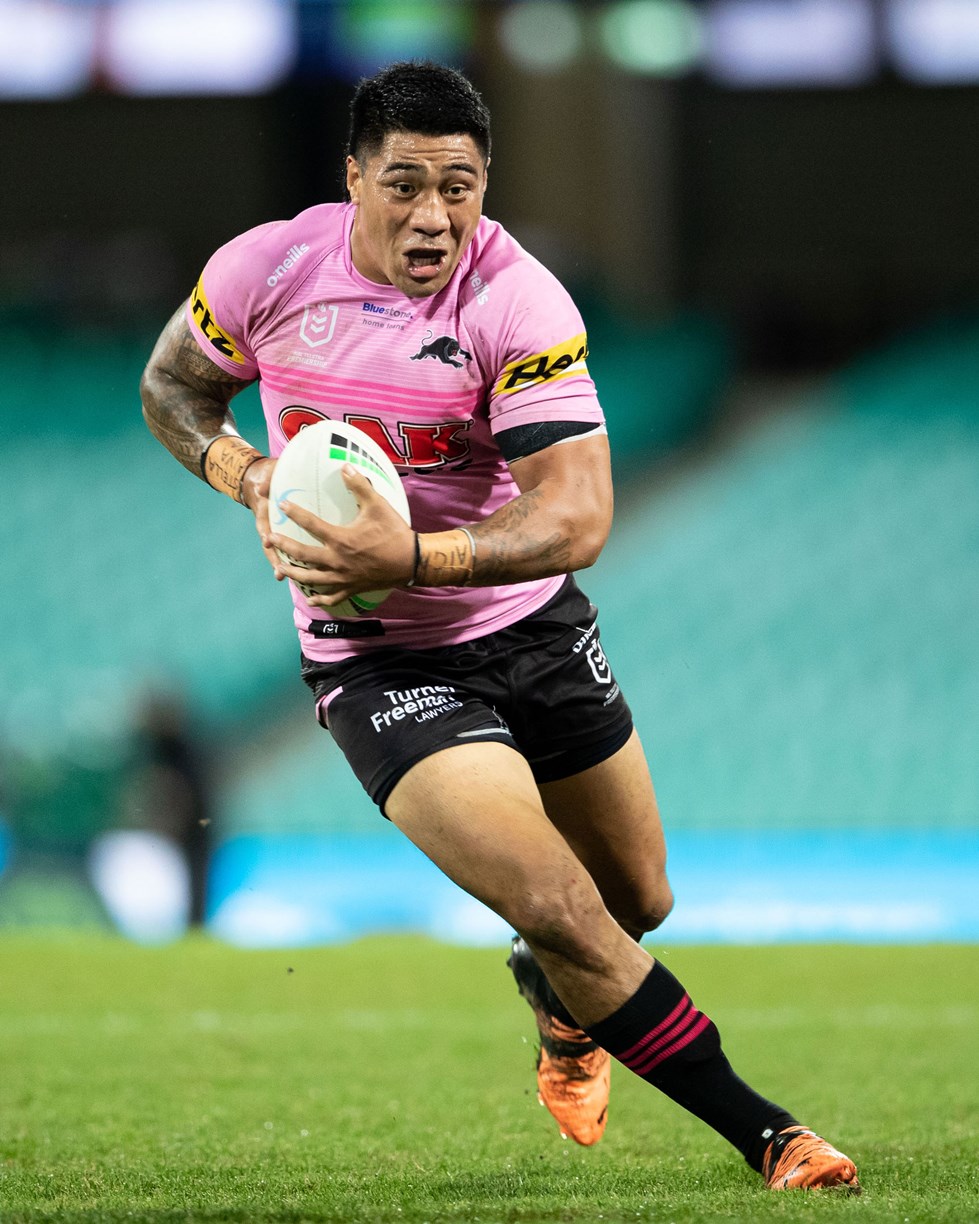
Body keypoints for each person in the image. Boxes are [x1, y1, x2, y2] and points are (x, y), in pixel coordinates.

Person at [141, 61, 859, 1194]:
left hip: (531, 628)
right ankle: (772, 1137)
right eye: (405, 185)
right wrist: (248, 475)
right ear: (353, 177)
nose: (433, 216)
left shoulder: (517, 301)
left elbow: (578, 516)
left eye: (459, 187)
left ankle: (554, 996)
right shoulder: (265, 270)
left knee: (636, 900)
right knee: (560, 902)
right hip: (380, 660)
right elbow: (173, 390)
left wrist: (411, 557)